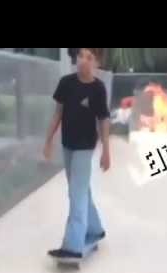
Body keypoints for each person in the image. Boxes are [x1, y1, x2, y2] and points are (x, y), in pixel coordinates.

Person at [44, 48, 111, 260]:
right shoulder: (66, 83)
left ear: (96, 63)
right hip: (67, 145)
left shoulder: (98, 89)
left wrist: (106, 151)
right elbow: (58, 114)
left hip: (85, 147)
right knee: (81, 189)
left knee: (76, 192)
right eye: (81, 55)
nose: (83, 61)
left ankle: (72, 246)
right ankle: (95, 228)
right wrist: (48, 140)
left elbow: (103, 120)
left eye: (89, 58)